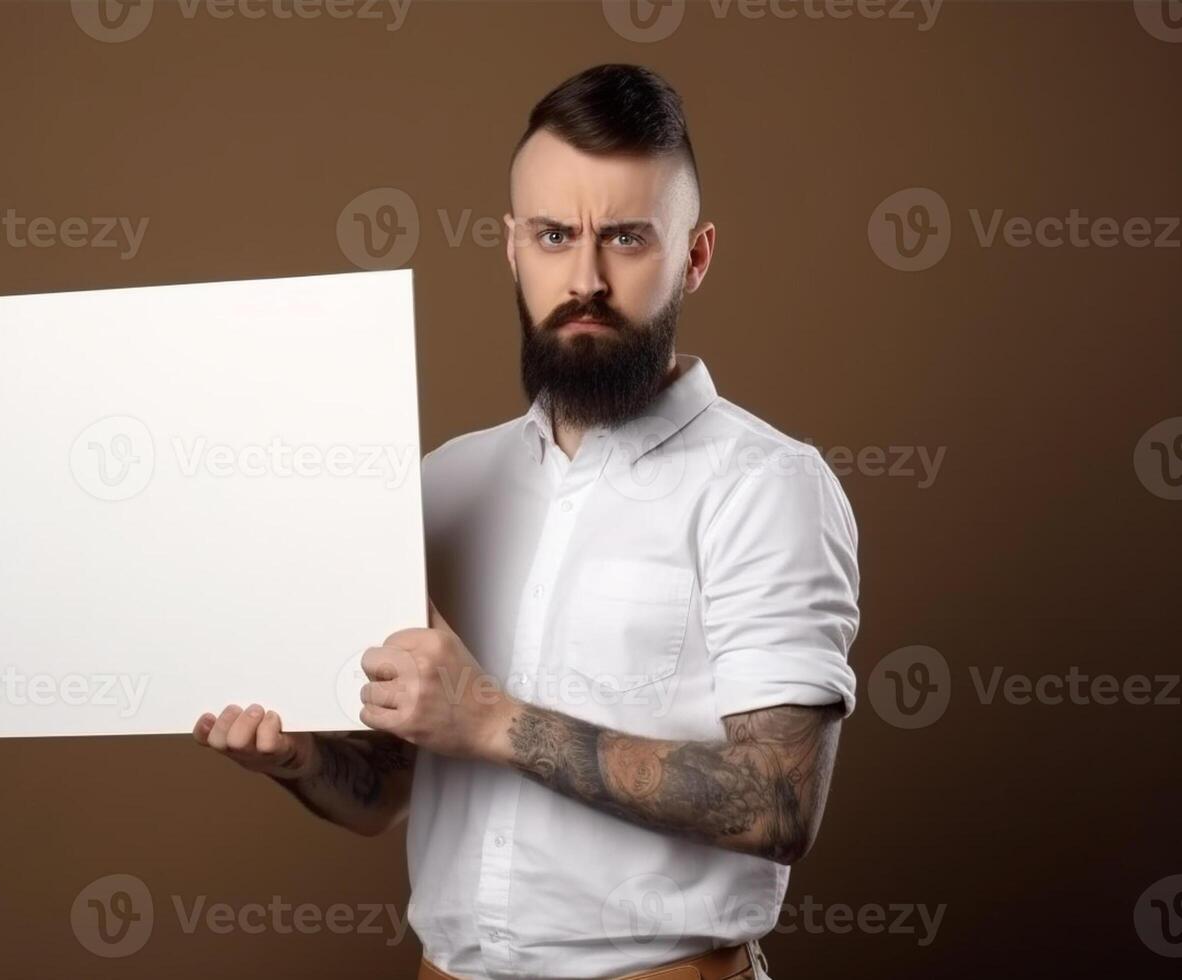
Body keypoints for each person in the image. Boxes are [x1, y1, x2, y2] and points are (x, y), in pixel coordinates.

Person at [196, 63, 860, 980]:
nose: (584, 278)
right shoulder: (445, 481)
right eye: (554, 236)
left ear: (695, 257)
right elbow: (388, 790)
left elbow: (779, 803)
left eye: (626, 238)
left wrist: (495, 719)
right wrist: (302, 760)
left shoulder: (767, 487)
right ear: (513, 247)